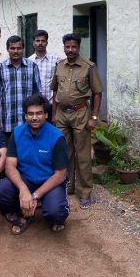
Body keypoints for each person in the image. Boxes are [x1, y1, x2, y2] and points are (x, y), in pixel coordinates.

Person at [0, 94, 69, 235]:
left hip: (49, 181)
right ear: (25, 116)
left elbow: (60, 175)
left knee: (55, 213)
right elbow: (9, 166)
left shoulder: (57, 137)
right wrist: (23, 189)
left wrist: (34, 196)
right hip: (26, 180)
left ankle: (48, 209)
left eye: (39, 113)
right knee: (0, 190)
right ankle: (25, 213)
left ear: (46, 114)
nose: (34, 117)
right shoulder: (17, 133)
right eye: (30, 114)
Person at [51, 33, 103, 210]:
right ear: (64, 47)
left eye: (74, 47)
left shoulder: (89, 67)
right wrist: (53, 115)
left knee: (82, 155)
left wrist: (94, 117)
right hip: (61, 114)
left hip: (81, 113)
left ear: (79, 47)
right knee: (64, 152)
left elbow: (97, 92)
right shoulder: (59, 66)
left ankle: (85, 192)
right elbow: (54, 91)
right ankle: (67, 186)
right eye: (67, 47)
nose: (70, 50)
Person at [0, 35, 42, 144]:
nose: (16, 51)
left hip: (28, 122)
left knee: (27, 155)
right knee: (8, 155)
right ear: (7, 50)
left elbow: (38, 95)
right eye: (12, 48)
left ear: (23, 49)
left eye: (19, 48)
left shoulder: (32, 66)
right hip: (7, 122)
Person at [26, 29, 60, 103]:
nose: (40, 43)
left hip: (51, 103)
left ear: (47, 43)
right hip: (35, 104)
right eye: (37, 41)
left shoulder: (56, 60)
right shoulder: (28, 62)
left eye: (43, 41)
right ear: (33, 43)